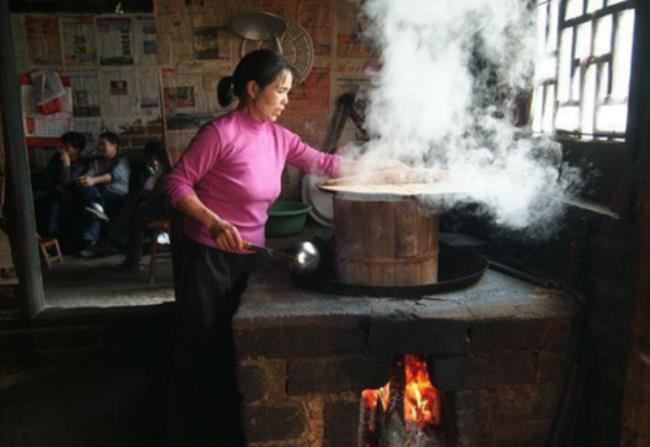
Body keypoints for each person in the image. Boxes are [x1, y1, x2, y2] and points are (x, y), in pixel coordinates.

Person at [164, 49, 355, 446]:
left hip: (252, 257)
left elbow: (325, 164)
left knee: (239, 342)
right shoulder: (220, 134)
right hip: (208, 256)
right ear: (253, 89)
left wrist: (383, 166)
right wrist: (213, 222)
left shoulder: (279, 138)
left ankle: (236, 423)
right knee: (205, 344)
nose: (286, 99)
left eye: (289, 91)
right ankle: (196, 428)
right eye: (281, 90)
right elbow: (176, 183)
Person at [109, 140, 171, 272]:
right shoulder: (158, 169)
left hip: (167, 206)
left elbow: (158, 192)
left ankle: (131, 259)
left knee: (136, 217)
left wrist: (145, 197)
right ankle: (121, 241)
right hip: (156, 200)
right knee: (133, 205)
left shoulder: (169, 171)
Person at [75, 131, 130, 255]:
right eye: (99, 145)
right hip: (100, 194)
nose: (100, 147)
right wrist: (83, 179)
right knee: (87, 192)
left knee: (91, 198)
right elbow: (89, 173)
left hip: (117, 195)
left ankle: (97, 209)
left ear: (114, 145)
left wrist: (93, 180)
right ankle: (97, 208)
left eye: (103, 144)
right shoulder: (98, 161)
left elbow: (113, 176)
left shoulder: (122, 160)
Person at [32, 131, 87, 238]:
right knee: (32, 197)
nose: (64, 149)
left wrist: (66, 165)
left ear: (77, 149)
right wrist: (55, 186)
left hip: (69, 195)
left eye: (67, 147)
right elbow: (46, 176)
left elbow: (68, 184)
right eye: (63, 146)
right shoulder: (57, 157)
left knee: (55, 205)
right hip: (53, 190)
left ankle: (51, 238)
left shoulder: (82, 164)